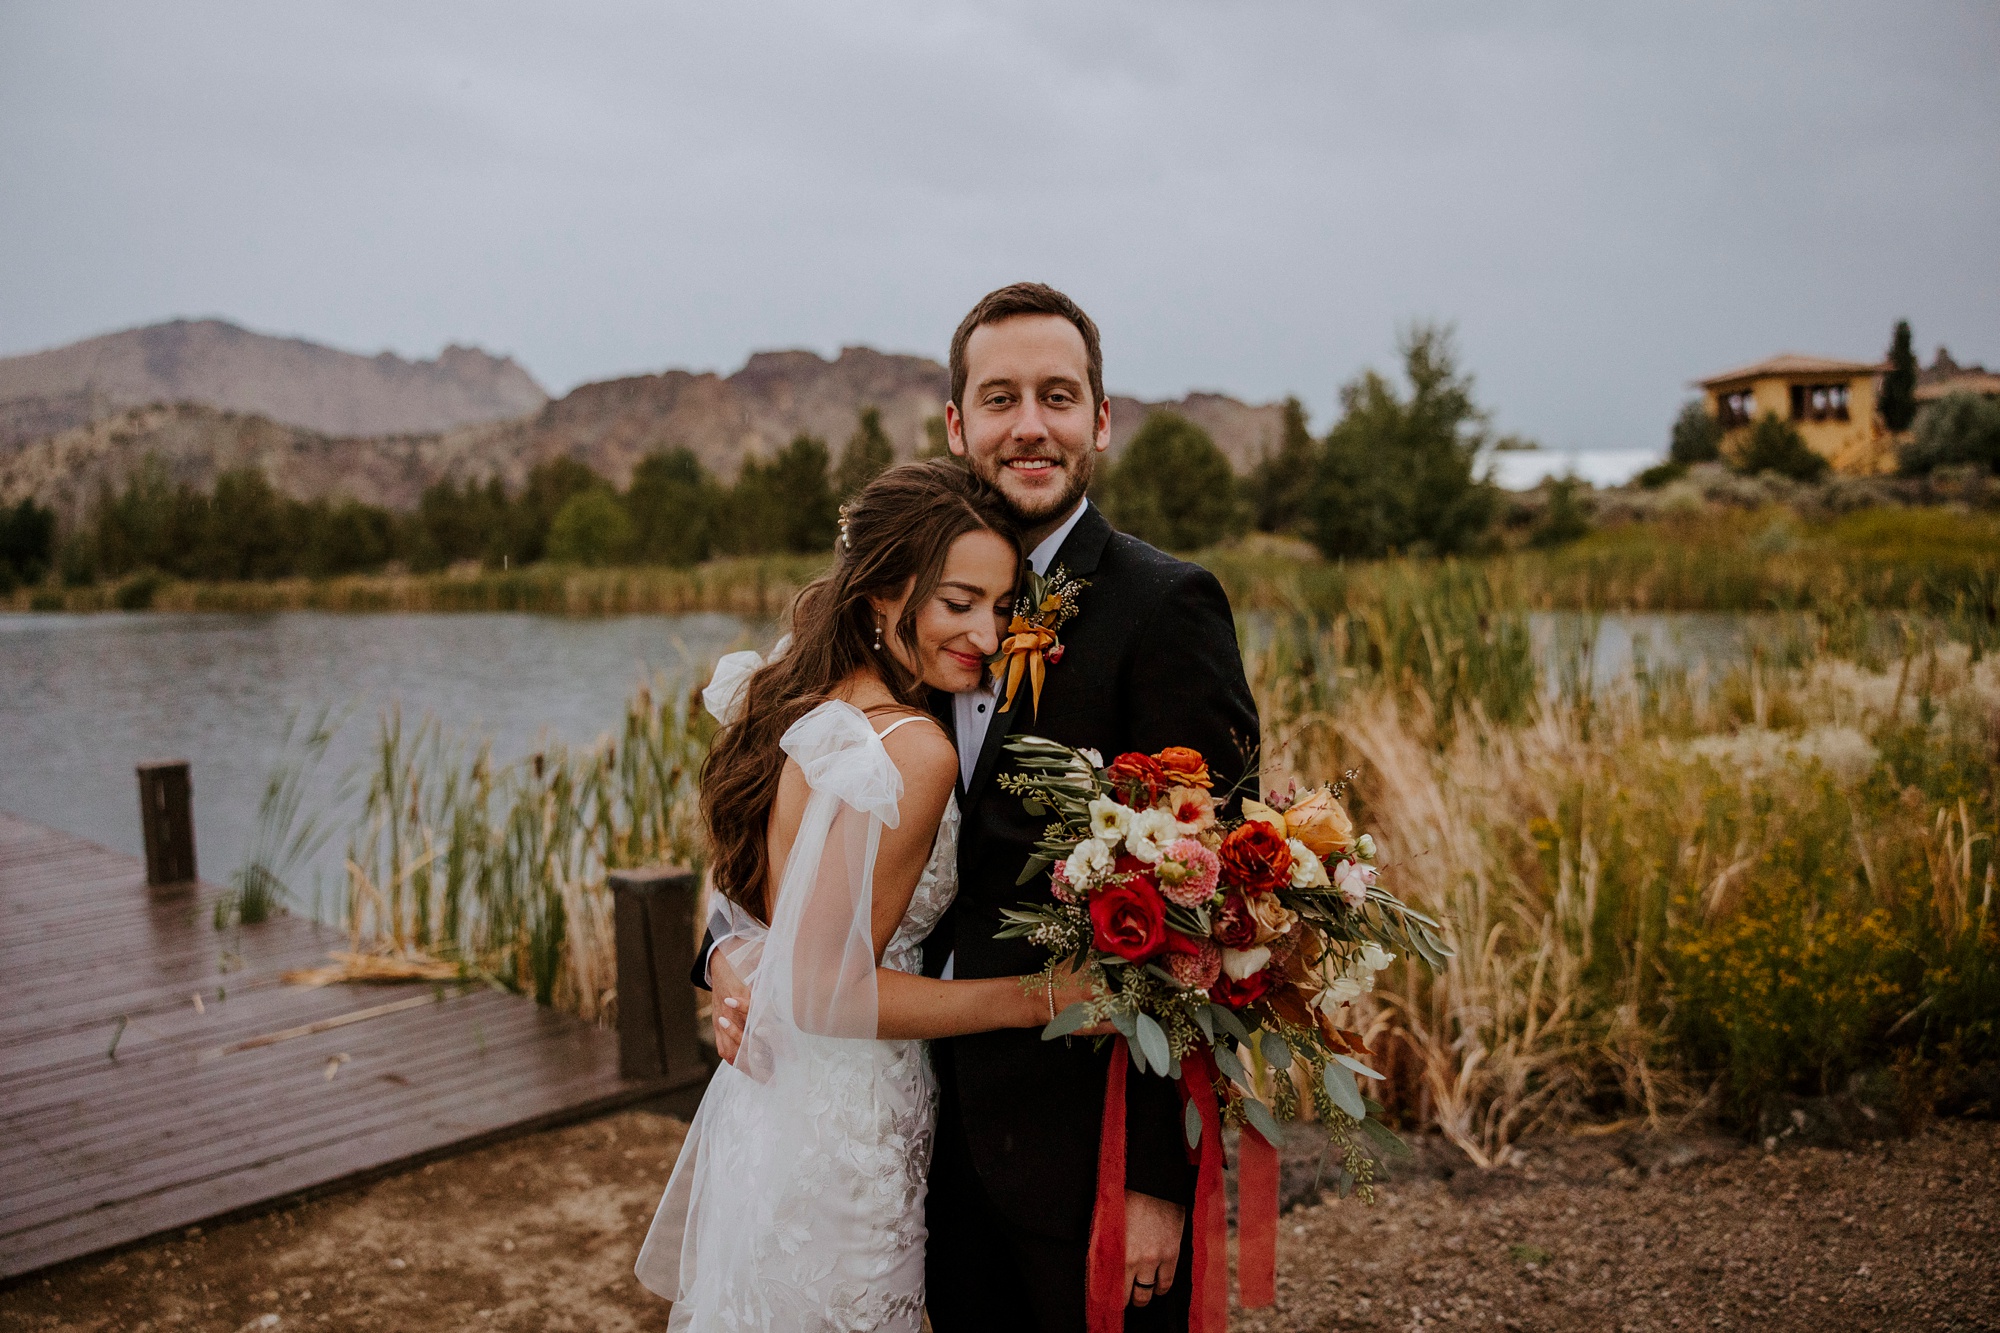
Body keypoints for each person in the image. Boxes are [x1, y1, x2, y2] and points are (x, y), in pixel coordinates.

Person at [686, 283, 1260, 1331]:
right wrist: (731, 953)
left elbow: (1207, 916)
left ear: (1099, 417)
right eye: (999, 398)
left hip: (1077, 1158)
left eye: (1056, 394)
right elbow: (779, 835)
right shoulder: (913, 612)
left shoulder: (1165, 607)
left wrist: (1156, 1183)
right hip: (914, 1144)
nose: (1029, 424)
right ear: (956, 423)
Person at [636, 459, 1095, 1330]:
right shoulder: (910, 751)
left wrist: (734, 949)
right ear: (885, 592)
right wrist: (1037, 996)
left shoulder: (789, 694)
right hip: (849, 1121)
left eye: (1001, 608)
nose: (990, 635)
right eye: (959, 603)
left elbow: (741, 876)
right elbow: (829, 994)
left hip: (776, 1103)